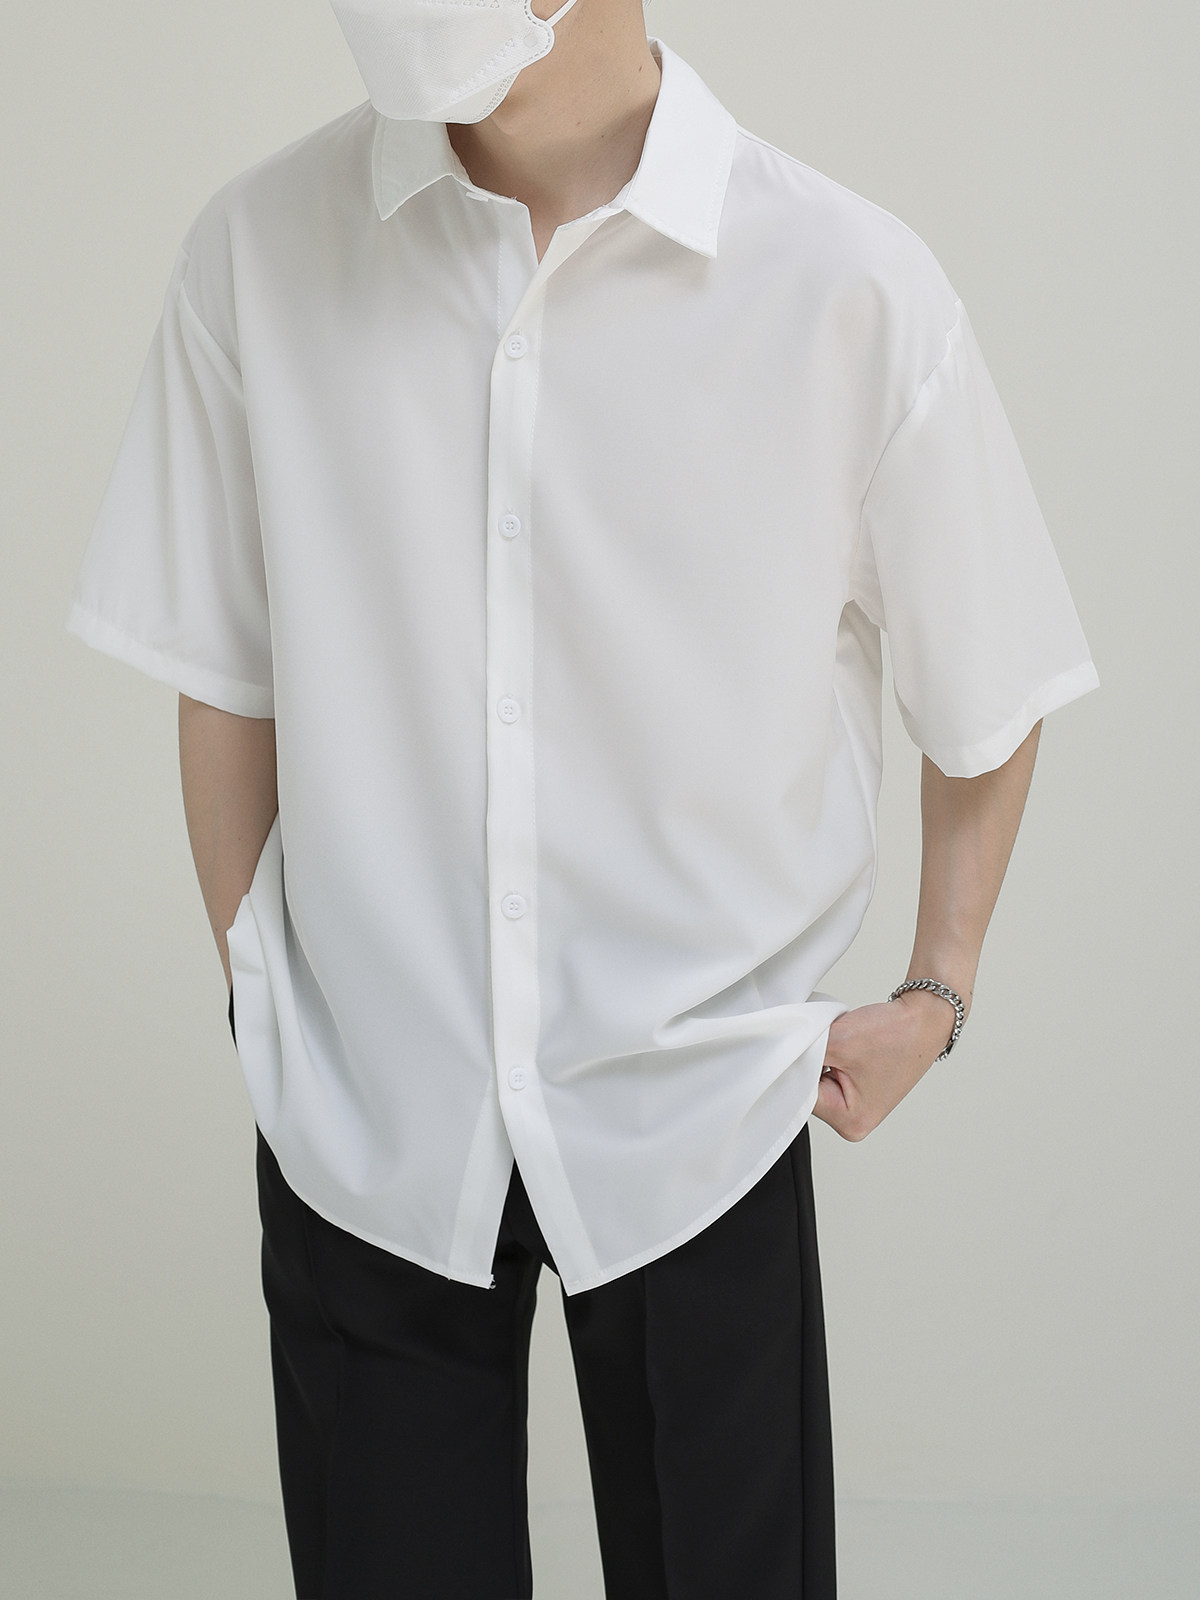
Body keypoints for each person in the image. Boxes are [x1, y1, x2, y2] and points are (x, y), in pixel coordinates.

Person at [65, 1, 1099, 1595]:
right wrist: (265, 991)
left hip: (704, 1108)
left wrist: (937, 991)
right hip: (365, 1116)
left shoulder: (845, 283)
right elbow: (227, 677)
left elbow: (990, 686)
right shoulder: (258, 252)